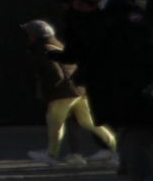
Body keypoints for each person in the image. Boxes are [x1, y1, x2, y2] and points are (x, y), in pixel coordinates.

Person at [54, 0, 153, 181]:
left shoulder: (127, 9)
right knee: (136, 152)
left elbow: (128, 52)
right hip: (129, 94)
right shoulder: (114, 8)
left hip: (134, 92)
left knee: (137, 152)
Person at [24, 20, 116, 166]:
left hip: (62, 93)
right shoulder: (58, 46)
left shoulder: (42, 49)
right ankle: (116, 150)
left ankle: (51, 155)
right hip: (78, 91)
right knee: (89, 122)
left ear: (34, 36)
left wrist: (52, 91)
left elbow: (54, 72)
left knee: (55, 124)